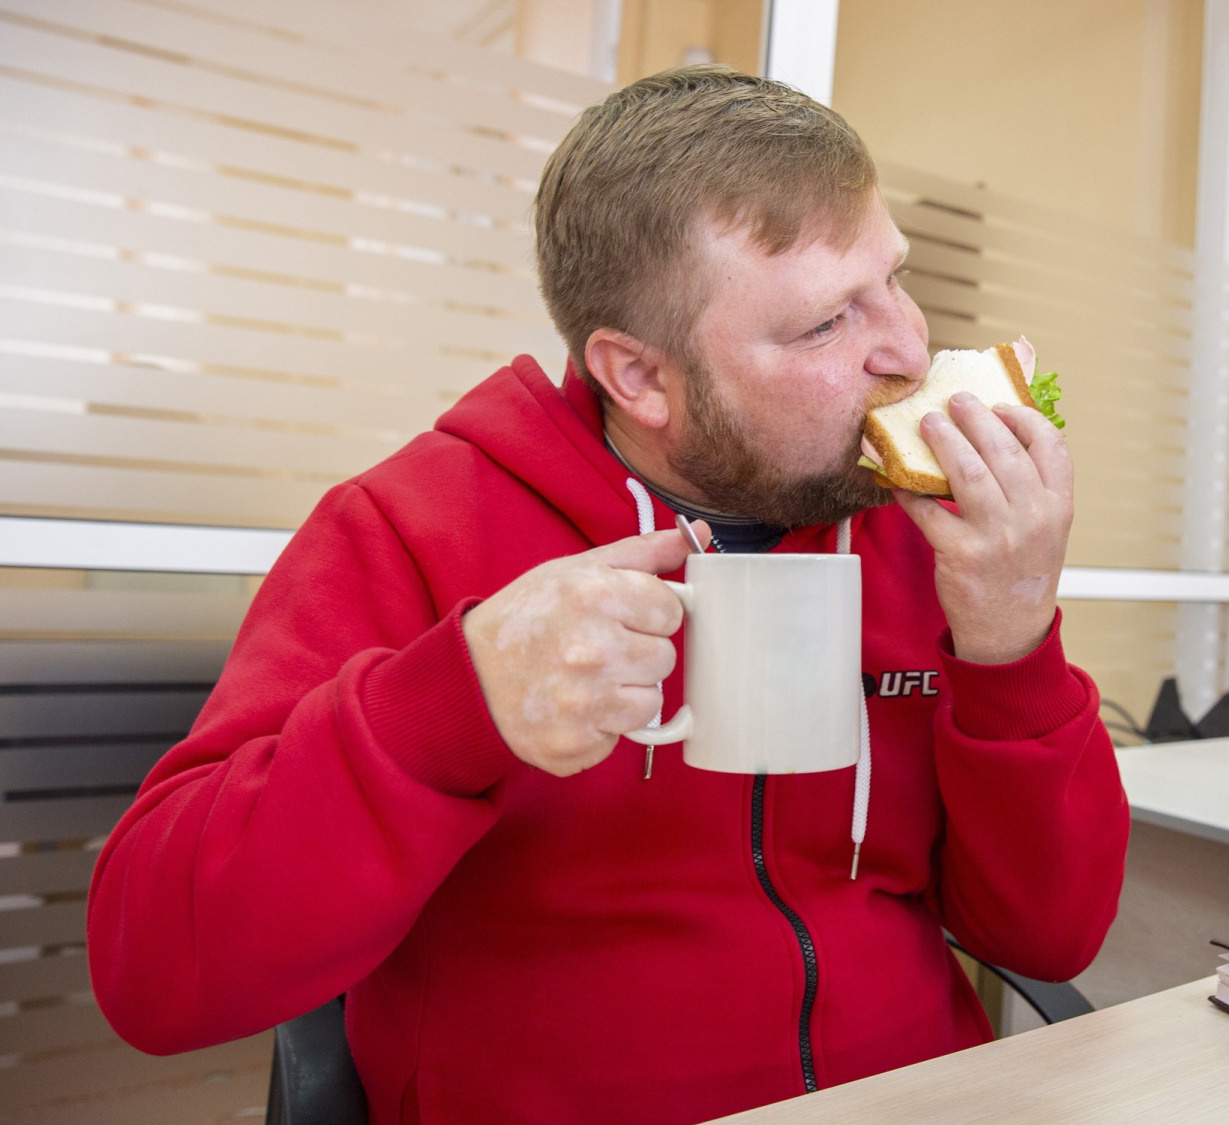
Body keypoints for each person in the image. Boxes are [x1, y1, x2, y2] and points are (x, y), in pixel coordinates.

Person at [86, 67, 1130, 1125]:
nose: (906, 348)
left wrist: (1011, 639)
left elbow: (1044, 942)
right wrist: (451, 710)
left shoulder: (926, 535)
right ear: (638, 376)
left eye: (892, 280)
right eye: (824, 327)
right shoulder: (409, 529)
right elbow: (152, 974)